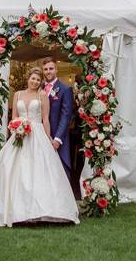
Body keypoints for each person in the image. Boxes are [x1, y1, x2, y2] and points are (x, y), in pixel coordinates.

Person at [0, 68, 79, 227]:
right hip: (19, 136)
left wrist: (49, 139)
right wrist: (15, 130)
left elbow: (45, 119)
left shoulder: (42, 95)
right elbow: (13, 118)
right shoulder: (17, 95)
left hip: (37, 134)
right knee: (14, 170)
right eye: (33, 79)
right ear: (28, 79)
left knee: (38, 172)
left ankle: (43, 210)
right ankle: (16, 210)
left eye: (38, 80)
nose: (35, 82)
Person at [41, 57, 75, 190]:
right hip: (41, 135)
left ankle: (65, 202)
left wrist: (57, 138)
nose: (48, 71)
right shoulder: (39, 88)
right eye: (45, 69)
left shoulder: (65, 89)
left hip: (57, 137)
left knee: (60, 168)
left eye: (51, 68)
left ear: (56, 69)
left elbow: (66, 116)